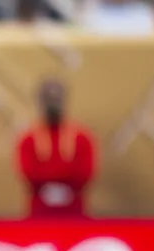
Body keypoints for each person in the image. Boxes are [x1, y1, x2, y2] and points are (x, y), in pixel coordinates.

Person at [15, 79, 97, 219]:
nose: (52, 104)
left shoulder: (81, 138)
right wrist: (59, 177)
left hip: (75, 213)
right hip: (39, 214)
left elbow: (85, 172)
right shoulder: (29, 139)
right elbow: (28, 173)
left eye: (56, 99)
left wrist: (58, 181)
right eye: (48, 99)